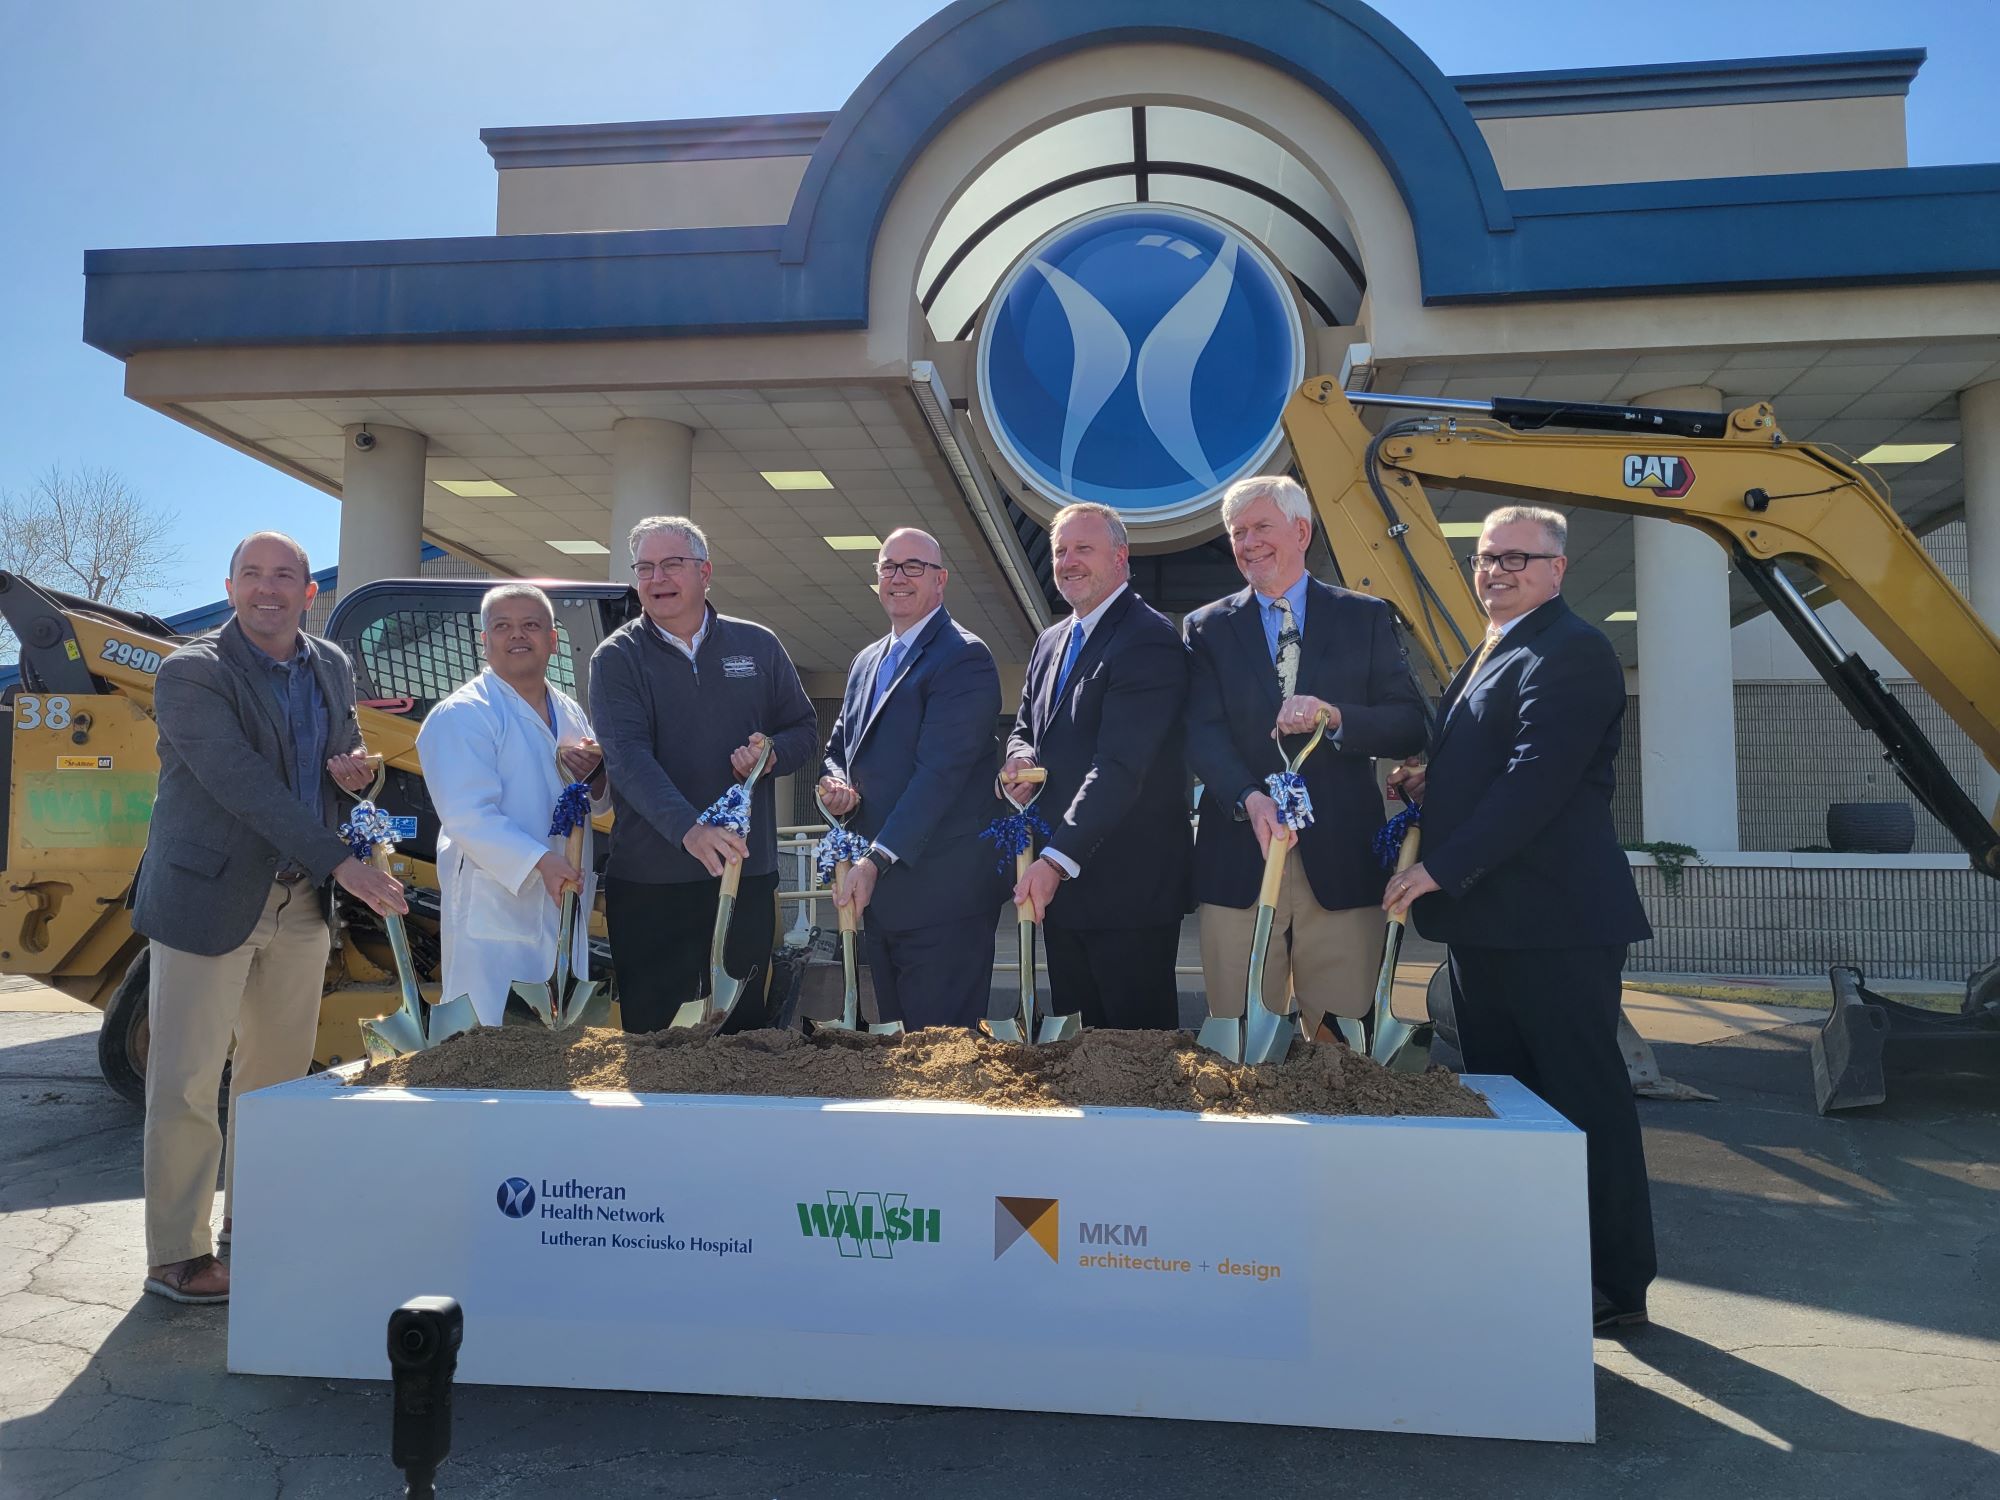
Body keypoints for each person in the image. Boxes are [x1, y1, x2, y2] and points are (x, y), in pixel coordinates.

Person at [1384, 504, 1657, 1331]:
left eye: (1516, 558)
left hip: (1555, 926)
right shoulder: (1494, 648)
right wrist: (1430, 784)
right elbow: (1493, 762)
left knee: (1581, 1102)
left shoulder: (1573, 651)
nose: (1495, 570)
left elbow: (1537, 780)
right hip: (1488, 928)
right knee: (1507, 1103)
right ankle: (1534, 1261)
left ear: (1557, 568)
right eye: (1485, 557)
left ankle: (1615, 1282)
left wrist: (1441, 864)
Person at [132, 532, 408, 1306]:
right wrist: (342, 862)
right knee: (186, 1082)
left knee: (275, 1082)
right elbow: (240, 784)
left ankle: (255, 1231)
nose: (269, 589)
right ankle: (177, 1257)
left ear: (306, 592)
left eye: (284, 576)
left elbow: (341, 758)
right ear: (229, 587)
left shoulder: (332, 665)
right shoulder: (191, 671)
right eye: (252, 575)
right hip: (207, 896)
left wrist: (357, 777)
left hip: (299, 904)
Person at [1184, 475, 1427, 1039]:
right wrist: (1247, 797)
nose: (1247, 543)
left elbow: (1410, 721)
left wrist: (1337, 717)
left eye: (1261, 527)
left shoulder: (1365, 616)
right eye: (1237, 532)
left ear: (1300, 530)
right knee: (1241, 1040)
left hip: (1340, 862)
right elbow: (1199, 731)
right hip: (1239, 859)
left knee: (1342, 1047)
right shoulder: (1206, 628)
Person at [589, 516, 817, 1032]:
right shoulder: (616, 658)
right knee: (655, 1038)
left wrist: (772, 753)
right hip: (651, 882)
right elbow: (626, 757)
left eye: (672, 564)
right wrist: (689, 830)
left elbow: (803, 727)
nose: (657, 578)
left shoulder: (758, 646)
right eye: (645, 567)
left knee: (740, 1038)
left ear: (705, 572)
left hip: (744, 877)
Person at [1003, 502, 1190, 1030]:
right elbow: (1024, 727)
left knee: (1137, 1065)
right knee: (1076, 1055)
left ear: (1121, 557)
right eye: (1061, 551)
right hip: (1063, 892)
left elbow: (1120, 766)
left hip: (1129, 891)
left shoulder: (1148, 639)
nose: (1068, 561)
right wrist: (1019, 757)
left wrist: (1056, 860)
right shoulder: (1051, 641)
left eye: (1083, 548)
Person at [818, 529, 1004, 1029]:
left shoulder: (964, 657)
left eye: (913, 567)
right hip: (881, 901)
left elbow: (939, 775)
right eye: (888, 567)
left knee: (942, 1062)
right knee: (898, 1057)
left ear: (940, 581)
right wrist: (837, 789)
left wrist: (876, 858)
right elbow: (838, 752)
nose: (898, 577)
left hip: (944, 895)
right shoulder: (865, 662)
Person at [415, 584, 606, 1026]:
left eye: (531, 626)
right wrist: (540, 862)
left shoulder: (570, 711)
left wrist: (598, 775)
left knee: (558, 1043)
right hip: (495, 906)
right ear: (485, 641)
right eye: (503, 626)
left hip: (562, 897)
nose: (517, 636)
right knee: (492, 1038)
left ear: (553, 640)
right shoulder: (463, 714)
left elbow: (594, 801)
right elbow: (467, 815)